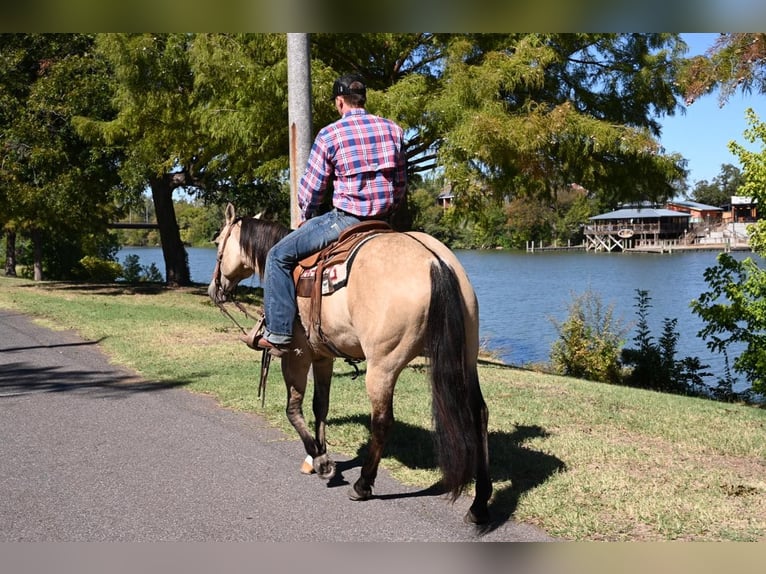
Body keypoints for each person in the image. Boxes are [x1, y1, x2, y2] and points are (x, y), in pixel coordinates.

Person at [255, 74, 408, 356]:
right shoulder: (393, 131)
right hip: (384, 222)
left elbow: (312, 190)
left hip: (345, 220)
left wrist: (308, 215)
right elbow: (400, 184)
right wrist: (389, 211)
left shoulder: (330, 134)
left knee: (278, 255)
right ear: (362, 100)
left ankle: (278, 333)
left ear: (340, 103)